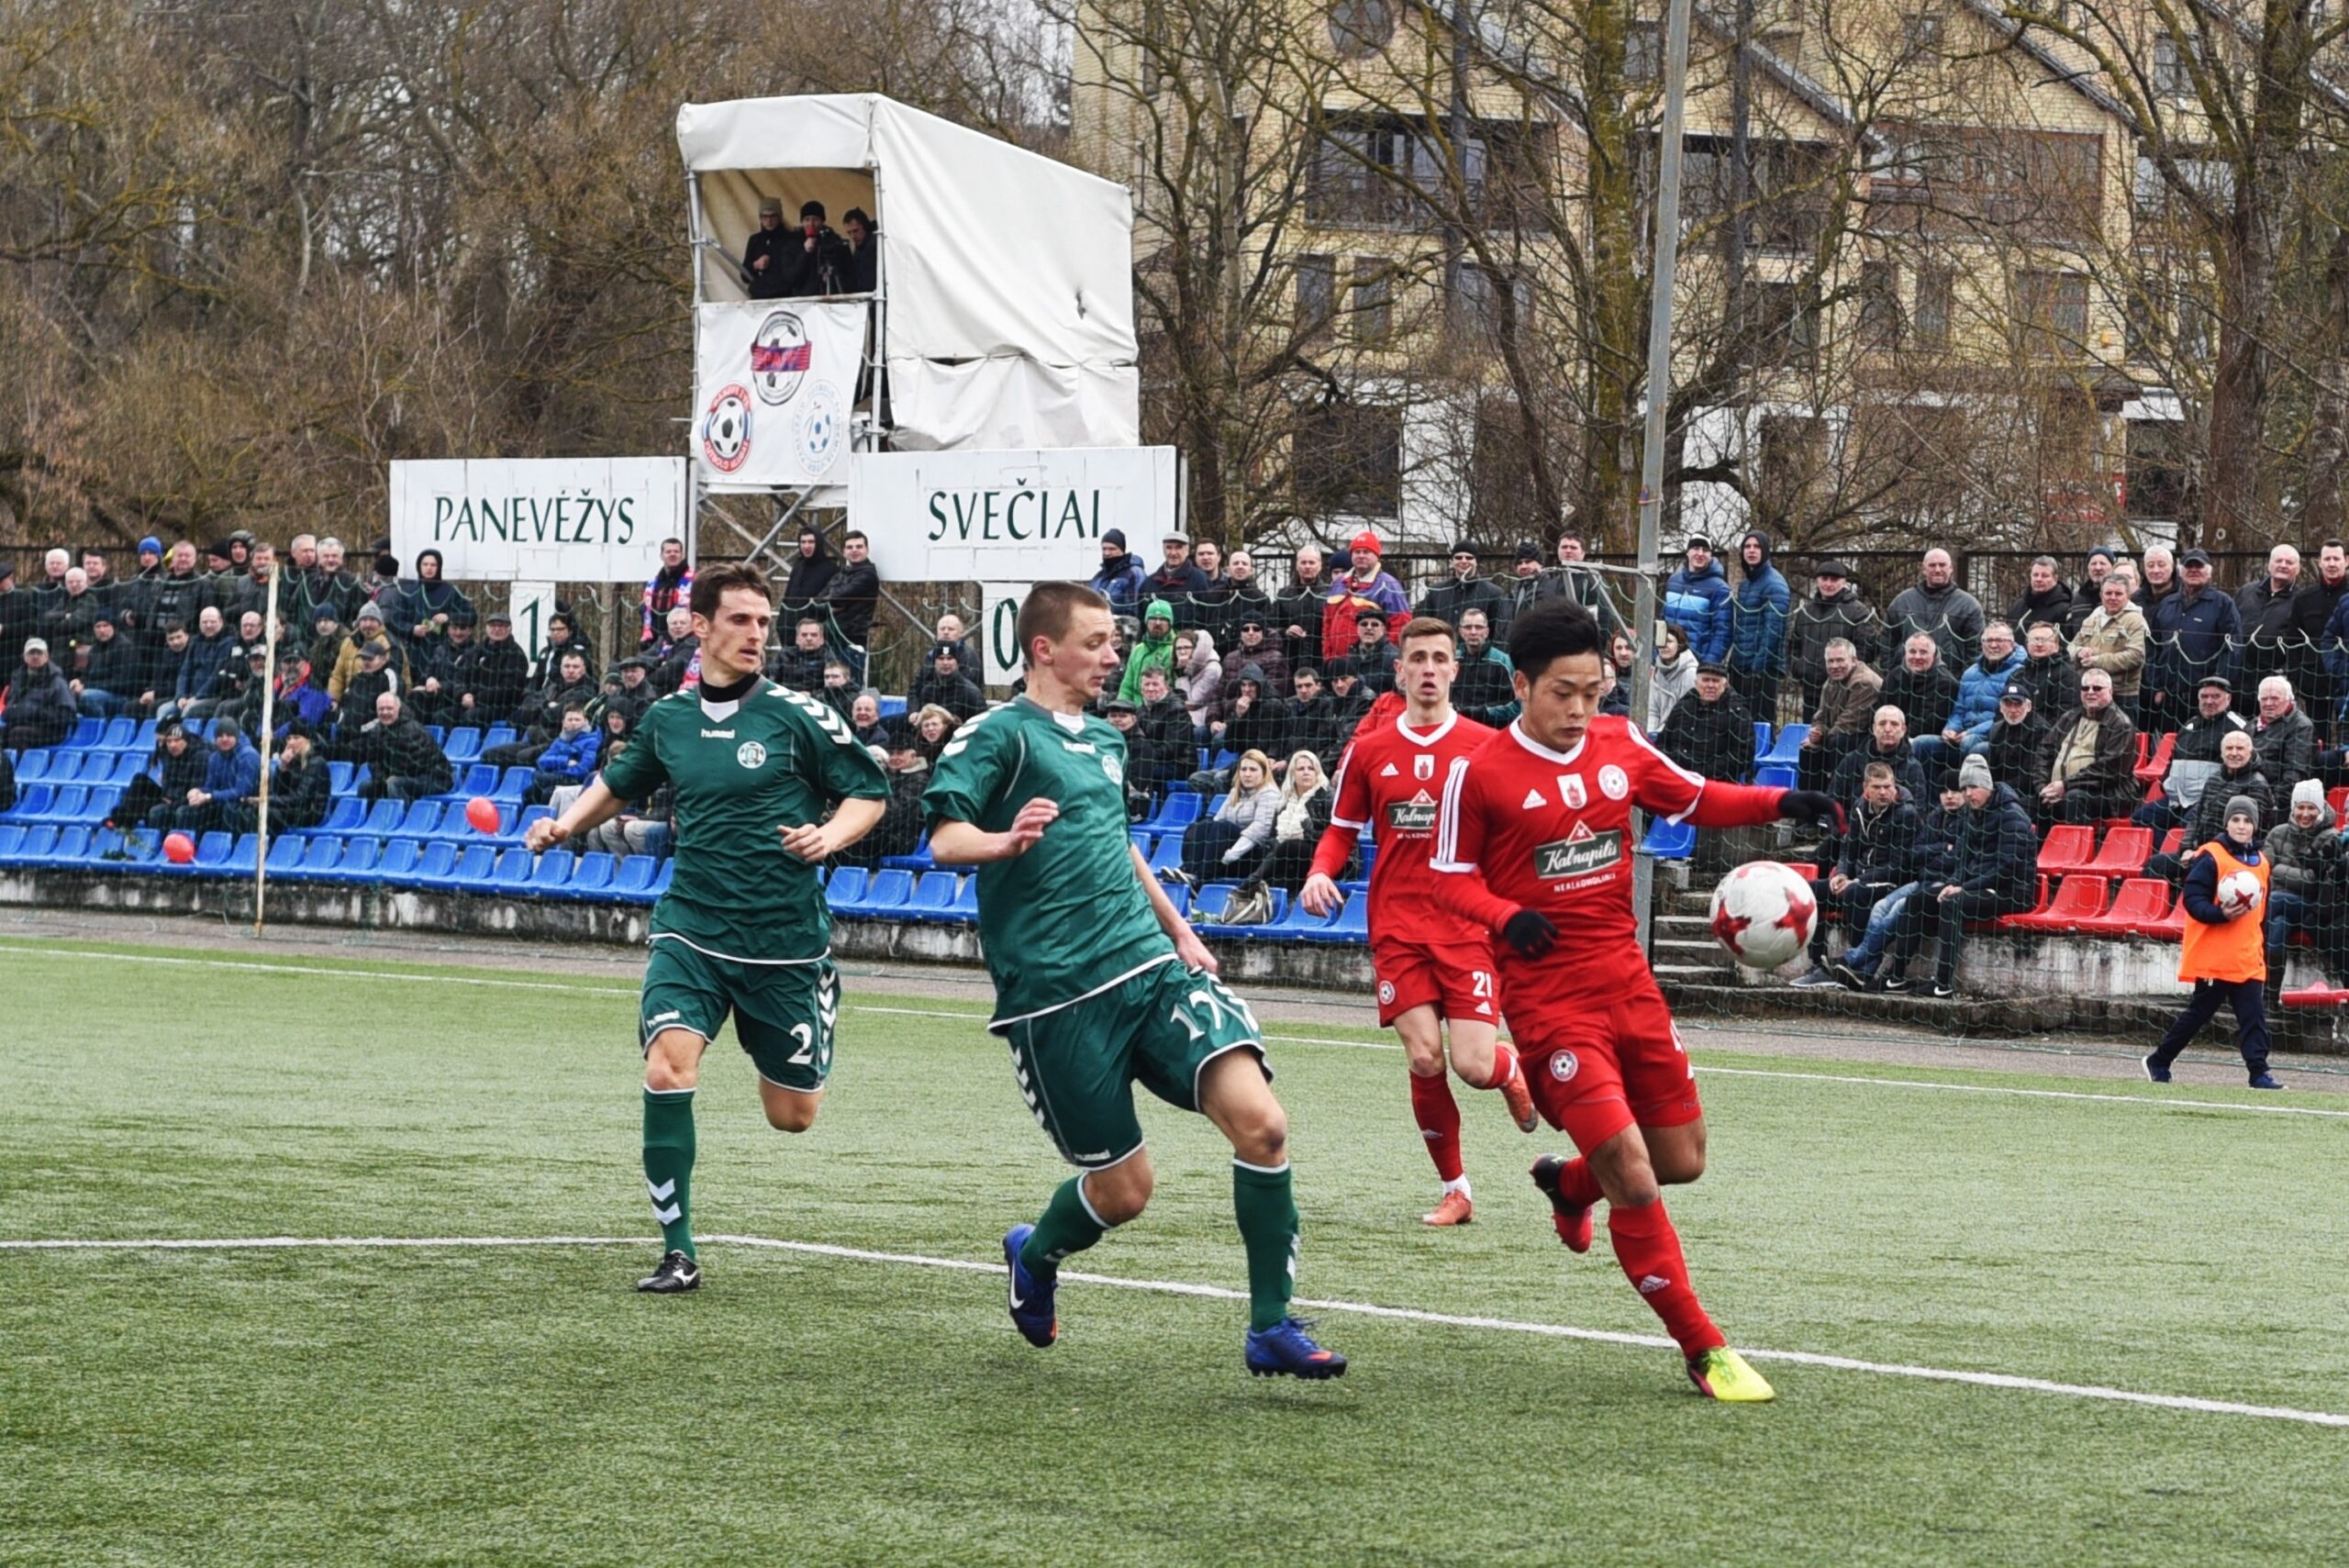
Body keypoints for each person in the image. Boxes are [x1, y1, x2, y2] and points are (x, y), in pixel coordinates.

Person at [923, 581, 1346, 1377]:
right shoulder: (998, 733)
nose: (1111, 655)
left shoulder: (1107, 740)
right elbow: (946, 837)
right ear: (1044, 649)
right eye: (1095, 642)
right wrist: (1004, 841)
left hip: (1148, 966)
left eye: (1113, 642)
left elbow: (1117, 843)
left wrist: (1181, 931)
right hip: (1057, 994)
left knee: (1264, 1124)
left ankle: (1270, 1324)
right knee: (1125, 1191)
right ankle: (1035, 1255)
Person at [1425, 596, 1832, 1401]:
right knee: (1638, 1177)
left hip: (1630, 987)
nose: (1580, 709)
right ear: (1521, 685)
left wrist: (1781, 802)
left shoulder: (1618, 743)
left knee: (1682, 1161)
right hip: (1551, 1007)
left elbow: (1695, 796)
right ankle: (1704, 1348)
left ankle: (1571, 1183)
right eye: (1563, 692)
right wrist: (1507, 916)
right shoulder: (1479, 772)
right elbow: (1447, 879)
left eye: (1593, 691)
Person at [526, 562, 890, 1294]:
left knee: (793, 1115)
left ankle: (816, 1001)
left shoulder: (798, 715)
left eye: (763, 621)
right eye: (740, 619)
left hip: (783, 942)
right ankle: (678, 1250)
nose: (757, 633)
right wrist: (564, 824)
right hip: (690, 927)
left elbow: (870, 792)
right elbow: (618, 783)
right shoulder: (669, 718)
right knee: (667, 1066)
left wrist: (829, 835)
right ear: (700, 625)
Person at [1298, 619, 1538, 1229]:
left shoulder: (1488, 746)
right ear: (1400, 670)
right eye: (1418, 659)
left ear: (1455, 669)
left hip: (1467, 927)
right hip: (1398, 927)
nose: (1428, 669)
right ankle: (1456, 1190)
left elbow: (1517, 835)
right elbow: (1341, 831)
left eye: (1439, 658)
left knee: (1474, 1066)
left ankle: (1510, 1069)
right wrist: (1319, 872)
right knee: (1427, 1058)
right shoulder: (1370, 751)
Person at [2143, 796, 2285, 1089]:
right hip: (2214, 955)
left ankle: (2259, 1072)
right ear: (2226, 823)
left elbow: (2262, 913)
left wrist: (2261, 945)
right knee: (2199, 1015)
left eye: (2247, 821)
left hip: (2246, 955)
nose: (2241, 826)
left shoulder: (2262, 863)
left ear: (2255, 826)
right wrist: (2221, 914)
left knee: (2253, 1017)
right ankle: (2159, 1060)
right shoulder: (2210, 857)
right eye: (2236, 820)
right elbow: (2193, 901)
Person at [1877, 753, 2039, 997]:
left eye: (1973, 787)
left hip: (2011, 892)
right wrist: (1953, 883)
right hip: (1978, 887)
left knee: (1952, 903)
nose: (1968, 794)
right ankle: (1895, 976)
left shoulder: (2012, 816)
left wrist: (1965, 888)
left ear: (1987, 786)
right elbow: (1963, 857)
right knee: (1918, 899)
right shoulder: (1972, 814)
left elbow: (2006, 868)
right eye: (1965, 789)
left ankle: (1943, 984)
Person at [1793, 762, 1918, 987]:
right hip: (1858, 878)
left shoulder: (1906, 813)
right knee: (1811, 891)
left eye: (1888, 786)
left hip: (1891, 882)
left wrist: (1857, 880)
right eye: (1877, 787)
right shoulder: (1860, 808)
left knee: (1855, 893)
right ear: (1865, 789)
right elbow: (1848, 850)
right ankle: (1819, 964)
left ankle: (1856, 967)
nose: (1883, 792)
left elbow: (1900, 866)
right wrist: (1841, 874)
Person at [2145, 731, 2270, 888]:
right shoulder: (2214, 779)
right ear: (2222, 753)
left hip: (2230, 857)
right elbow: (2196, 818)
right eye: (2229, 748)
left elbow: (2251, 835)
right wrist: (2187, 849)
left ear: (2250, 752)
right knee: (2155, 864)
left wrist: (2206, 852)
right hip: (2200, 852)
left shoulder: (2257, 784)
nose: (2234, 753)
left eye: (2240, 749)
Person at [2135, 676, 2251, 832]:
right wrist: (2166, 783)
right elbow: (2173, 758)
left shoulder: (2237, 727)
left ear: (2228, 699)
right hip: (2177, 799)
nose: (2209, 701)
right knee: (2142, 818)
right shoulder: (2190, 725)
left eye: (2216, 696)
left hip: (2207, 801)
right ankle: (2164, 848)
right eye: (2204, 696)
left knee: (2187, 826)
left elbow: (2242, 768)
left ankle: (2175, 848)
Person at [2147, 549, 2240, 730]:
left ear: (2209, 571)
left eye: (2199, 566)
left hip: (2205, 698)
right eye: (2189, 566)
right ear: (2181, 571)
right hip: (2169, 698)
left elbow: (2233, 649)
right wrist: (2156, 687)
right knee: (2169, 743)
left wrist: (2218, 687)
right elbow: (2153, 647)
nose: (2194, 570)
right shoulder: (2167, 604)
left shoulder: (2223, 604)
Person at [2032, 668, 2138, 825]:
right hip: (2060, 789)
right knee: (2023, 805)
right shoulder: (2069, 717)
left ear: (2110, 691)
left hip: (2107, 794)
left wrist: (2066, 785)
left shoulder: (2121, 725)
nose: (2090, 692)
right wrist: (2043, 787)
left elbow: (2108, 771)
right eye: (2085, 688)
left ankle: (2078, 841)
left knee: (2074, 798)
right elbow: (2044, 751)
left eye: (2097, 688)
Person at [2263, 779, 2337, 997]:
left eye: (2311, 808)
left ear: (2320, 809)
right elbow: (2263, 870)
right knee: (2278, 924)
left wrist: (2277, 870)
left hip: (2312, 908)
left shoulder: (2330, 836)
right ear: (2293, 808)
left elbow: (2313, 883)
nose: (2305, 814)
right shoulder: (2277, 833)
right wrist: (2284, 874)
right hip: (2280, 909)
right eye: (2300, 807)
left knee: (2275, 900)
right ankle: (2270, 996)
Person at [1786, 560, 1881, 718]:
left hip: (1844, 691)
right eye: (1824, 579)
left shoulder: (1857, 611)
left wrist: (1845, 672)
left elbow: (1868, 649)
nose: (1828, 584)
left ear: (1844, 582)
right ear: (1817, 581)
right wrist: (1799, 667)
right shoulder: (1806, 612)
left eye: (1834, 579)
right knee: (1812, 730)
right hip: (1810, 689)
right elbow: (1794, 644)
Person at [1920, 621, 2022, 764]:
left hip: (1994, 738)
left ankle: (1963, 778)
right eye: (1988, 640)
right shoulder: (1970, 673)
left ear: (2011, 644)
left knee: (1971, 742)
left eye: (1999, 640)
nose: (1993, 645)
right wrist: (1951, 729)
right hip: (1963, 736)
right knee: (1922, 744)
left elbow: (2004, 717)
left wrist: (1971, 732)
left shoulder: (2019, 672)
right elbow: (1959, 710)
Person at [1176, 749, 1280, 884]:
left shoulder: (1269, 793)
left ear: (1264, 772)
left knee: (1223, 827)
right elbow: (1217, 819)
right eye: (1243, 769)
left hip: (1252, 854)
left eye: (1253, 770)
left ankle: (1201, 878)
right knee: (1202, 825)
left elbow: (1260, 830)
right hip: (1228, 852)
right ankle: (1189, 871)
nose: (1247, 774)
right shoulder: (1235, 791)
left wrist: (1232, 854)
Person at [334, 693, 453, 801]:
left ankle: (402, 815)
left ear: (398, 708)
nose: (385, 712)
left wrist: (387, 777)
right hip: (399, 777)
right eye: (381, 709)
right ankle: (373, 817)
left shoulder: (412, 730)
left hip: (435, 778)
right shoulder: (376, 731)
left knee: (394, 783)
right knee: (365, 786)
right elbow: (373, 761)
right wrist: (381, 779)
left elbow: (414, 766)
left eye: (389, 708)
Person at [1799, 638, 1881, 792]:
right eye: (1830, 661)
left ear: (1854, 660)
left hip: (1865, 738)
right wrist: (1817, 731)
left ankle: (1836, 798)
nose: (1835, 666)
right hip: (1838, 735)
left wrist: (1822, 738)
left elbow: (1849, 723)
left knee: (1839, 742)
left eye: (1840, 660)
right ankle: (1809, 802)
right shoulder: (1832, 680)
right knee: (1808, 749)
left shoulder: (1865, 682)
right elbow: (1821, 715)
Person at [1884, 548, 1984, 671]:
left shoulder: (1968, 605)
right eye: (1932, 565)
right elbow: (1886, 643)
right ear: (1924, 569)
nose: (1937, 570)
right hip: (1905, 678)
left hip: (1950, 678)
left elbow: (1975, 650)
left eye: (1942, 565)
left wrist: (1965, 679)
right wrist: (1890, 675)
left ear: (1951, 568)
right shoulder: (1902, 602)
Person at [1727, 530, 1790, 721]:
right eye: (1747, 546)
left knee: (1761, 724)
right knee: (1738, 723)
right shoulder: (1746, 585)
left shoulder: (1775, 584)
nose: (1751, 550)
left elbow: (1774, 631)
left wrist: (1757, 669)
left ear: (1765, 551)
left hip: (1762, 671)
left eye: (1757, 546)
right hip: (1741, 667)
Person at [1657, 660, 1754, 783]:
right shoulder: (1683, 705)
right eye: (1706, 680)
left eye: (1716, 681)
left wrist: (1703, 771)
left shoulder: (1737, 711)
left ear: (1725, 685)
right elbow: (1662, 742)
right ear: (1696, 683)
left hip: (1714, 782)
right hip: (1676, 777)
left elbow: (1743, 755)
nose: (1710, 685)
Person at [1320, 531, 1409, 662]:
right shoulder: (1339, 583)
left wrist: (1382, 659)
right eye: (1357, 552)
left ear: (1377, 556)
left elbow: (1401, 626)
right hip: (1337, 665)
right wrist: (1328, 658)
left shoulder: (1388, 585)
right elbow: (1327, 623)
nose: (1361, 555)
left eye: (1366, 552)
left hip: (1371, 665)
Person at [2233, 543, 2304, 707]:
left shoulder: (2301, 600)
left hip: (2274, 683)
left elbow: (2301, 644)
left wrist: (2287, 675)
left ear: (2298, 569)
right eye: (2279, 560)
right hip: (2238, 679)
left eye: (2289, 562)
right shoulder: (2246, 592)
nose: (2283, 565)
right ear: (2269, 565)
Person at [2070, 572, 2149, 717]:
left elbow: (2136, 656)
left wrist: (2098, 661)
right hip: (2090, 692)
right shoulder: (2093, 618)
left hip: (2122, 695)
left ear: (2128, 596)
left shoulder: (2135, 620)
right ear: (2101, 595)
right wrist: (2079, 652)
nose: (2113, 597)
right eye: (2108, 593)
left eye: (2118, 594)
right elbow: (2071, 647)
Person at [1259, 749, 1337, 894]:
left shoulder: (1327, 795)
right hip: (1289, 855)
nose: (1306, 772)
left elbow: (1336, 836)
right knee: (1272, 849)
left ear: (1317, 772)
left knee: (1291, 846)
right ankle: (1278, 895)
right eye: (1301, 769)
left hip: (1326, 855)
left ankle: (1251, 885)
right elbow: (1272, 836)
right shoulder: (1285, 800)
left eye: (1311, 768)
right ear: (1293, 774)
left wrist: (1307, 834)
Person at [106, 718, 206, 829]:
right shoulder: (167, 751)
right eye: (162, 741)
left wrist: (172, 800)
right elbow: (169, 781)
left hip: (183, 799)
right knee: (139, 780)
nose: (161, 745)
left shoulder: (199, 756)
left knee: (148, 807)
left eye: (163, 741)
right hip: (169, 795)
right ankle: (123, 817)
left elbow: (195, 788)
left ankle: (127, 821)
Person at [820, 531, 880, 684]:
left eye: (859, 546)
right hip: (832, 636)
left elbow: (837, 597)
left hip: (852, 639)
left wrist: (831, 601)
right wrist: (831, 603)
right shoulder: (843, 573)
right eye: (850, 547)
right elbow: (819, 599)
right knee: (830, 684)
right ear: (844, 551)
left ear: (867, 550)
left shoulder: (867, 575)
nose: (854, 550)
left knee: (850, 684)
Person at [1662, 536, 1732, 664]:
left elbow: (1723, 634)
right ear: (1687, 552)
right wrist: (1656, 656)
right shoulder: (1673, 581)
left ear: (1711, 555)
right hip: (1668, 661)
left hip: (1697, 663)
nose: (1700, 553)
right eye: (1696, 548)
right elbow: (1663, 621)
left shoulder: (1720, 588)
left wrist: (1707, 665)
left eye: (1705, 550)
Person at [1415, 542, 1510, 634]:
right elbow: (1423, 625)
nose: (1464, 561)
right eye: (1458, 557)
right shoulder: (1435, 591)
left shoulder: (1493, 593)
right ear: (1452, 561)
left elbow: (1499, 632)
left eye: (1469, 558)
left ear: (1476, 561)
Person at [1881, 632, 1959, 741]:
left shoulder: (1946, 683)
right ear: (1905, 653)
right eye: (1912, 652)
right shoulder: (1894, 677)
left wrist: (1895, 737)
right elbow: (1880, 711)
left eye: (1923, 652)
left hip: (1923, 741)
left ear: (1933, 655)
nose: (1917, 657)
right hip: (1889, 735)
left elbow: (1928, 725)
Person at [3, 638, 76, 750]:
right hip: (22, 724)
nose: (35, 656)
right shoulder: (17, 679)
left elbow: (68, 715)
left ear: (46, 656)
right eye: (31, 653)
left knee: (18, 734)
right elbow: (9, 706)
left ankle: (23, 761)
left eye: (39, 653)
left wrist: (36, 712)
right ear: (25, 657)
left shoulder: (57, 681)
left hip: (51, 731)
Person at [2252, 674, 2315, 801]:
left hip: (2274, 799)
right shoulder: (2250, 726)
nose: (2268, 703)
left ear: (2289, 699)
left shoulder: (2301, 726)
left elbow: (2294, 774)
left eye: (2275, 698)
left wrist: (2274, 803)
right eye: (2264, 699)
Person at [527, 705, 604, 805]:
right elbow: (542, 760)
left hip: (576, 781)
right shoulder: (560, 739)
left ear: (585, 721)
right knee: (529, 791)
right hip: (558, 776)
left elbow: (584, 770)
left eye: (577, 719)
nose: (573, 723)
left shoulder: (592, 741)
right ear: (563, 722)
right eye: (570, 720)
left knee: (542, 785)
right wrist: (565, 761)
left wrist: (560, 772)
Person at [1452, 606, 1517, 726]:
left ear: (1486, 632)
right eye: (1468, 627)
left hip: (1491, 729)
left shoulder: (1503, 662)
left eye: (1478, 627)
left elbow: (1516, 706)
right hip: (1456, 726)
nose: (1473, 632)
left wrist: (1483, 712)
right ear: (1461, 632)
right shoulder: (1452, 660)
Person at [1984, 682, 2051, 794]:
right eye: (2008, 704)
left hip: (2027, 791)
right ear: (2001, 708)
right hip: (2001, 787)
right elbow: (1992, 768)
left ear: (2028, 706)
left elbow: (2029, 777)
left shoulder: (2040, 731)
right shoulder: (1997, 729)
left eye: (2018, 704)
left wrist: (1996, 790)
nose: (2013, 710)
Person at [72, 612, 139, 718]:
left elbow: (123, 683)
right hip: (98, 691)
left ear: (113, 627)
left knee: (87, 696)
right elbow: (88, 675)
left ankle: (102, 725)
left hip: (122, 697)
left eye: (105, 625)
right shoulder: (95, 649)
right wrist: (79, 681)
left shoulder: (125, 647)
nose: (101, 630)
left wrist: (86, 686)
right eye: (98, 626)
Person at [780, 199, 852, 297]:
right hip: (804, 300)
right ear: (802, 222)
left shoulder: (833, 241)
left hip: (830, 298)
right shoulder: (792, 244)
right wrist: (805, 253)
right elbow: (790, 277)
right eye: (807, 220)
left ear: (822, 221)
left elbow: (848, 271)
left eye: (815, 219)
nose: (811, 224)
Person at [1275, 544, 1328, 674]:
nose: (1307, 566)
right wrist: (1285, 631)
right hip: (1291, 661)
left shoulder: (1330, 594)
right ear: (1297, 566)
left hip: (1321, 661)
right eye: (1303, 562)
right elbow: (1271, 625)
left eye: (1311, 562)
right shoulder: (1284, 595)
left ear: (1320, 566)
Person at [1118, 599, 1178, 703]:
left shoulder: (1174, 650)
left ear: (1170, 623)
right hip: (1132, 708)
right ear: (1146, 622)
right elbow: (1127, 686)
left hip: (1160, 708)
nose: (1157, 623)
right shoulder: (1138, 650)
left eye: (1163, 619)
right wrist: (1121, 707)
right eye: (1153, 618)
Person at [908, 643, 985, 722]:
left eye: (949, 658)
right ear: (934, 662)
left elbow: (981, 724)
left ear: (957, 662)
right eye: (941, 658)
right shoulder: (927, 691)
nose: (945, 663)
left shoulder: (971, 693)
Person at [640, 539, 694, 648]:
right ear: (662, 556)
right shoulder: (652, 584)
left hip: (684, 641)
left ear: (682, 555)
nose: (672, 554)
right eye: (668, 552)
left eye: (676, 551)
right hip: (655, 641)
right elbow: (645, 611)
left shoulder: (694, 581)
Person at [2005, 555, 2075, 636]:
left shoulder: (2064, 609)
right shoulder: (2018, 606)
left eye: (2044, 576)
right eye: (2035, 575)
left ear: (2055, 579)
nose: (2039, 579)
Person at [1646, 625, 1697, 733]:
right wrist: (1650, 734)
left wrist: (1662, 733)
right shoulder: (1656, 672)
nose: (1664, 646)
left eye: (1669, 641)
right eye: (1661, 642)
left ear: (1680, 645)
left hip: (1682, 731)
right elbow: (1652, 711)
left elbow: (1687, 712)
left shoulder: (1691, 673)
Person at [1088, 528, 1149, 617]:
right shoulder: (1099, 577)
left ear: (1122, 550)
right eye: (1104, 549)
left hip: (1121, 624)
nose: (1107, 553)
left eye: (1112, 549)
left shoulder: (1134, 574)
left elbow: (1136, 609)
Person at [779, 527, 836, 620]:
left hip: (813, 626)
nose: (806, 546)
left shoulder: (830, 570)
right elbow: (787, 598)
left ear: (818, 543)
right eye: (803, 542)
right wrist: (781, 622)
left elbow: (827, 605)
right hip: (790, 625)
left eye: (811, 542)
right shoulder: (798, 567)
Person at [742, 197, 794, 299]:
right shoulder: (755, 240)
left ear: (779, 217)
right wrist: (756, 265)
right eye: (765, 217)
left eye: (773, 216)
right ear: (760, 218)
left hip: (784, 297)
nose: (769, 221)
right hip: (759, 297)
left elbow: (796, 273)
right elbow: (744, 276)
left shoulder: (791, 239)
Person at [1174, 628, 1222, 732]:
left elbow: (1192, 701)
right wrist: (1180, 671)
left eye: (1187, 647)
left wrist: (1184, 670)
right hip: (1185, 718)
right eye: (1178, 648)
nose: (1182, 652)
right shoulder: (1179, 667)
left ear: (1196, 648)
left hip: (1204, 720)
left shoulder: (1212, 669)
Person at [838, 206, 879, 294]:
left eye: (856, 231)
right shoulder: (859, 249)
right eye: (849, 233)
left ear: (865, 227)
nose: (853, 236)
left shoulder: (876, 244)